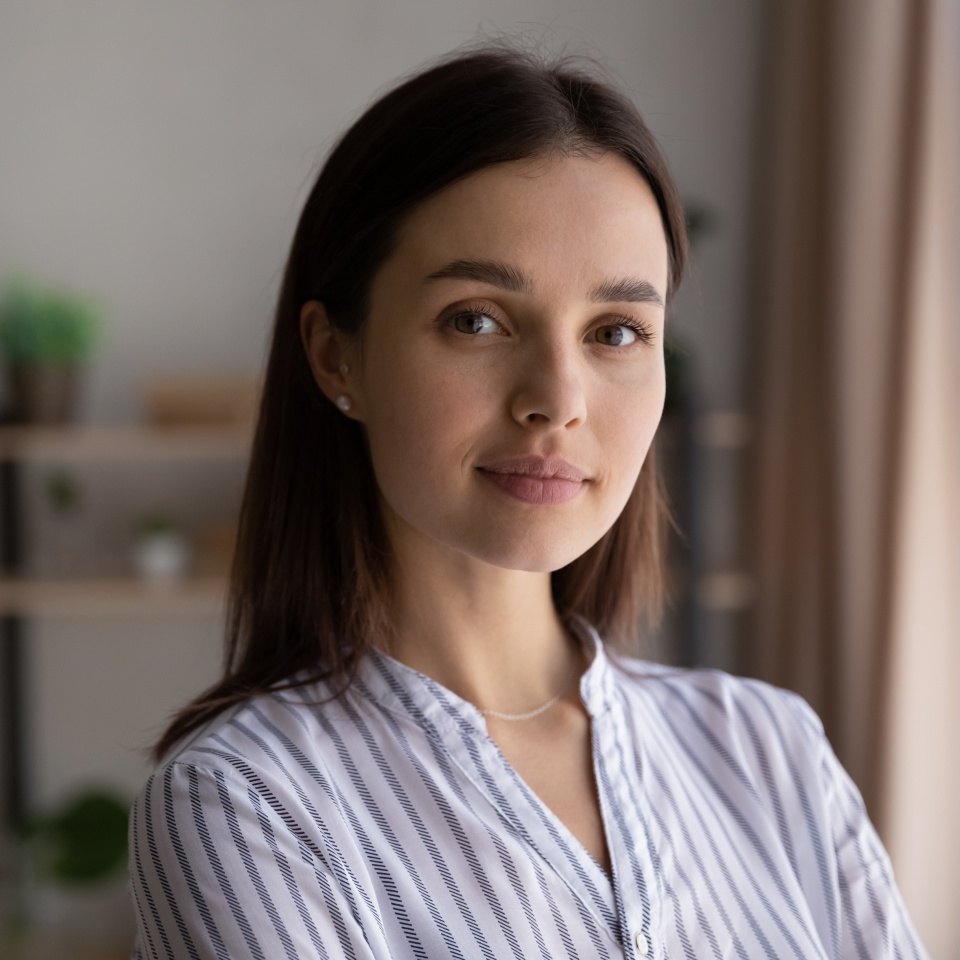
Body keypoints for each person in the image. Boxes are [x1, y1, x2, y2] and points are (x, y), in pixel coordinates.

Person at [129, 45, 928, 960]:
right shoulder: (244, 804)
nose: (558, 396)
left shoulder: (769, 748)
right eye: (477, 319)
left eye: (617, 331)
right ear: (335, 356)